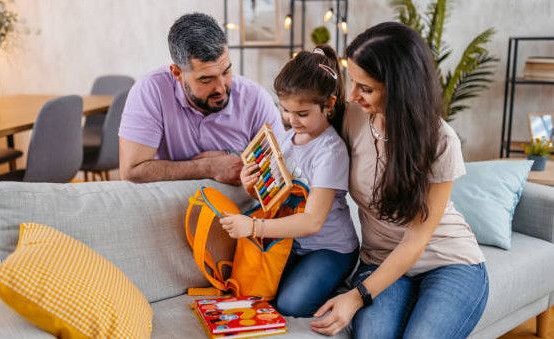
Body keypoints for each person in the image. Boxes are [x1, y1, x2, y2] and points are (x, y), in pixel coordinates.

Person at [310, 22, 488, 338]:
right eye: (353, 82)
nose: (353, 95)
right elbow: (303, 140)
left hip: (448, 261)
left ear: (400, 87)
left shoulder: (441, 142)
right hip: (378, 261)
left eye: (365, 88)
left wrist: (356, 296)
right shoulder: (353, 116)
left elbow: (416, 240)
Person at [219, 45, 359, 318]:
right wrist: (252, 186)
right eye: (284, 110)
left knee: (290, 305)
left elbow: (312, 222)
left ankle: (340, 285)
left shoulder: (330, 152)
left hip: (329, 248)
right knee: (256, 292)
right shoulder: (283, 139)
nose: (291, 120)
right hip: (292, 242)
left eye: (302, 114)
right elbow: (274, 196)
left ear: (328, 105)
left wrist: (254, 227)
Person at [118, 13, 285, 185]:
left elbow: (284, 164)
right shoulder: (151, 90)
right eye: (206, 79)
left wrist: (233, 158)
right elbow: (131, 172)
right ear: (177, 73)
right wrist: (207, 167)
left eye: (226, 72)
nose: (221, 88)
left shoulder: (255, 98)